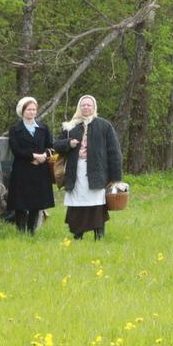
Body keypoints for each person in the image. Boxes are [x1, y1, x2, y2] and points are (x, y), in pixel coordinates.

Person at [53, 95, 123, 241]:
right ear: (79, 107)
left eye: (88, 105)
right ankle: (78, 236)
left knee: (97, 205)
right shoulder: (70, 126)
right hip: (75, 172)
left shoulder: (104, 126)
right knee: (77, 204)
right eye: (83, 105)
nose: (86, 108)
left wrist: (116, 178)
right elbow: (56, 146)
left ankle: (99, 236)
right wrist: (68, 144)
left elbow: (114, 152)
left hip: (97, 172)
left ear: (94, 107)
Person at [5, 96, 57, 234]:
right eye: (29, 109)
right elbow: (16, 149)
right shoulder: (15, 129)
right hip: (22, 169)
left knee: (36, 202)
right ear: (22, 111)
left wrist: (44, 156)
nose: (32, 112)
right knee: (21, 202)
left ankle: (32, 230)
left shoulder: (43, 128)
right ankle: (21, 231)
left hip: (40, 170)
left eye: (34, 109)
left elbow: (50, 146)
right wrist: (34, 156)